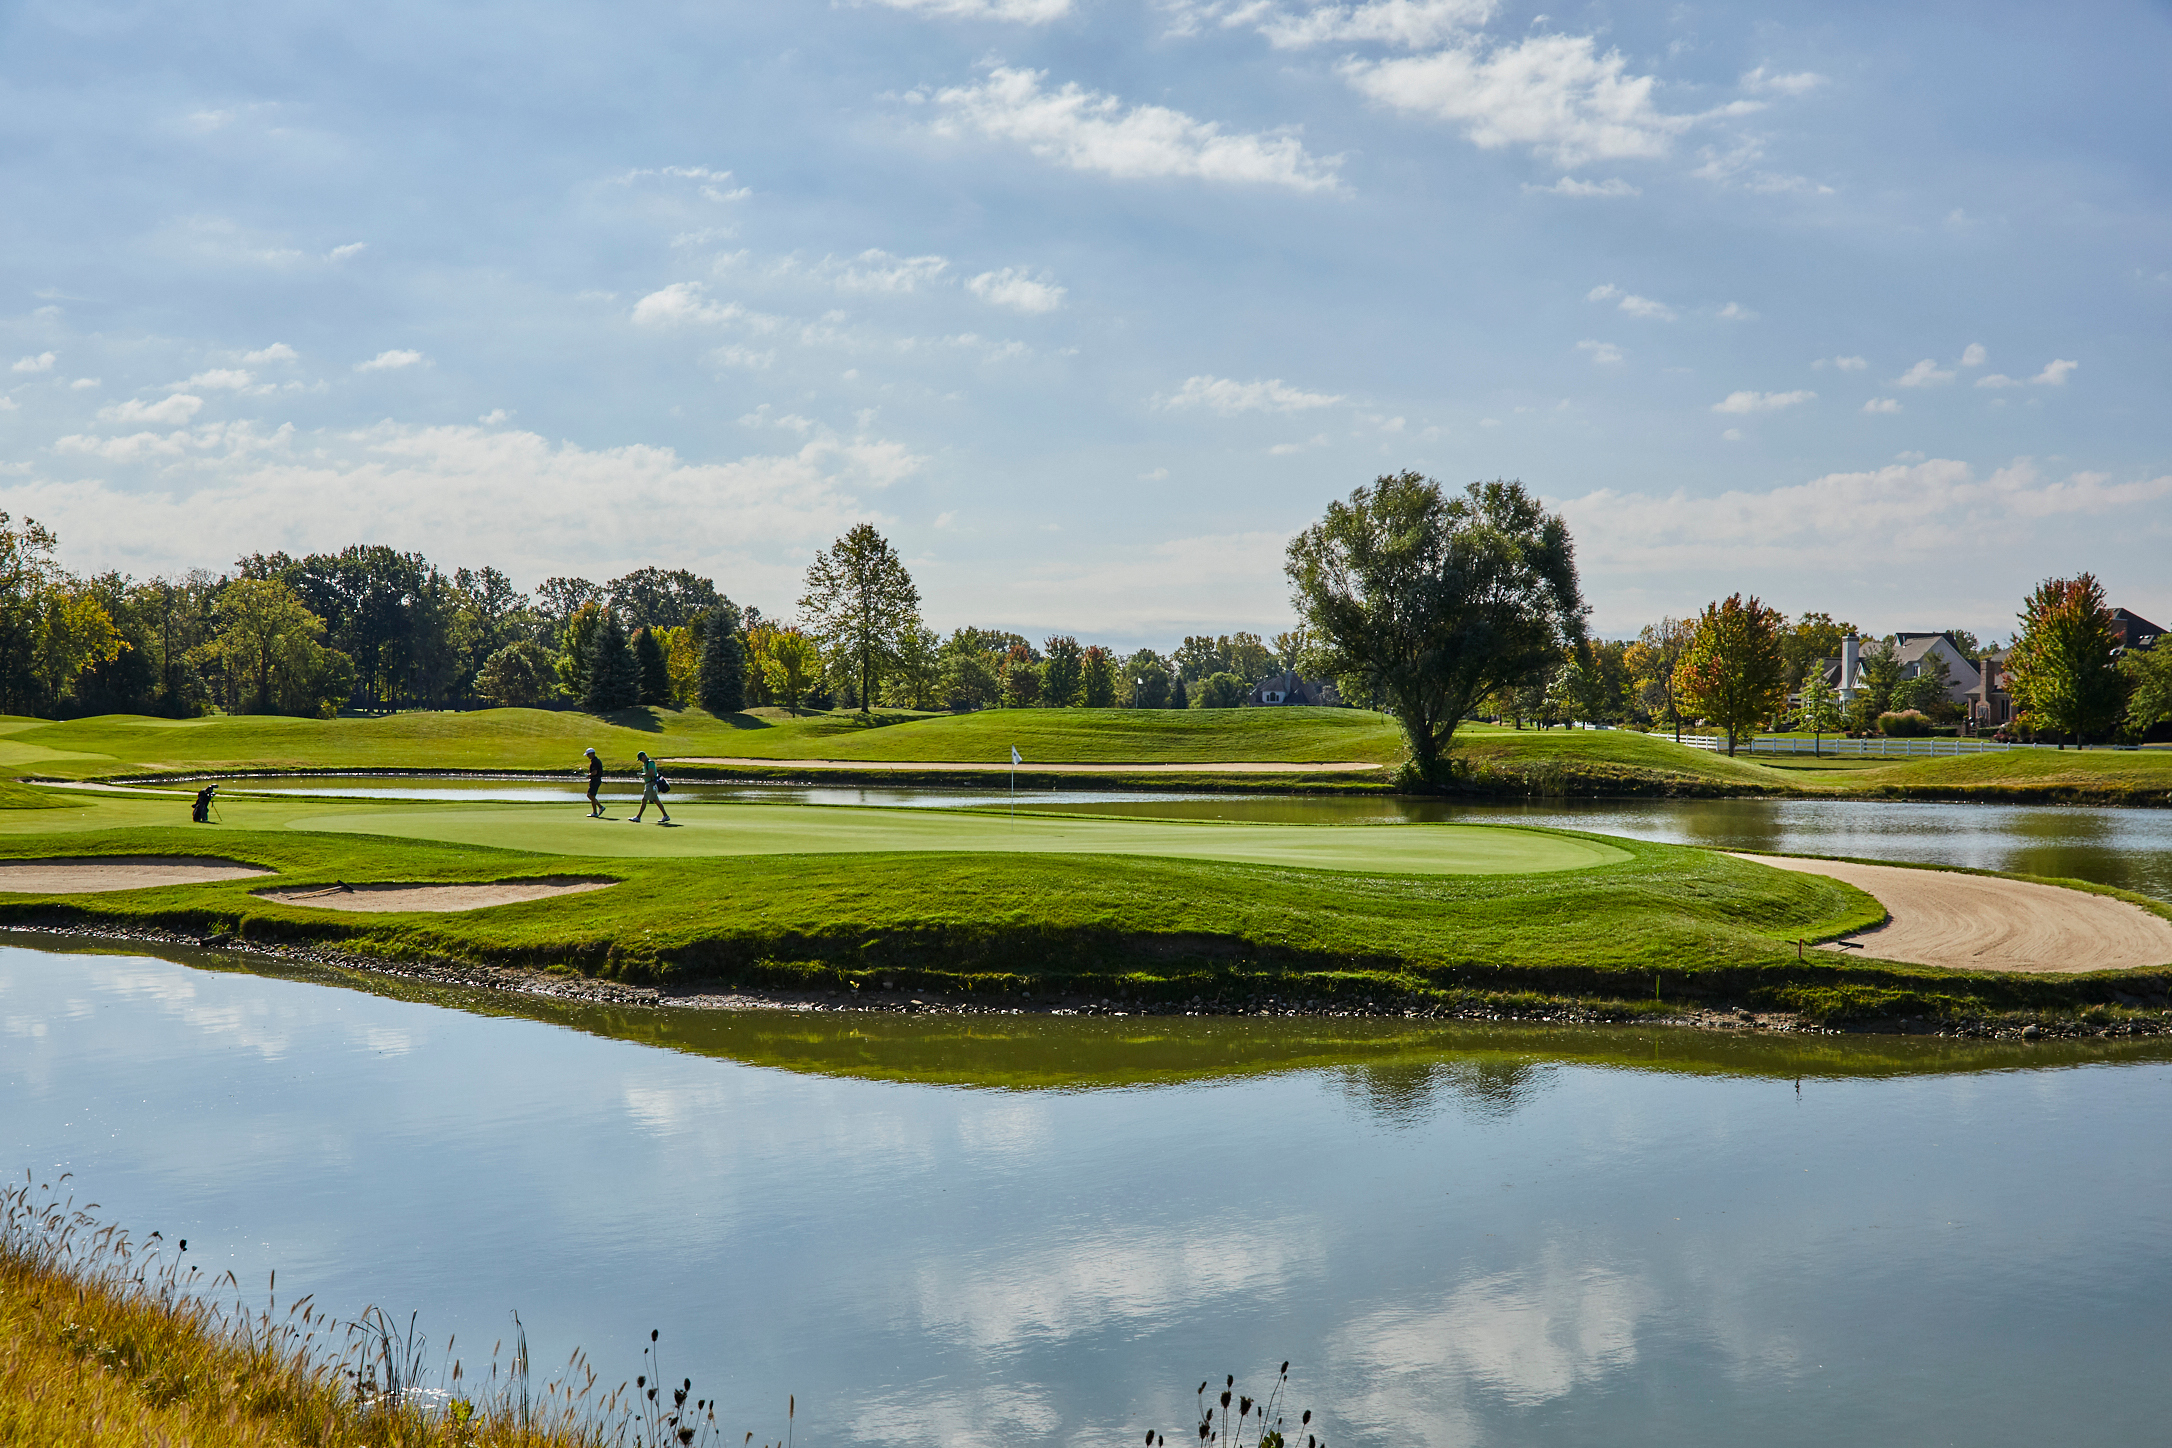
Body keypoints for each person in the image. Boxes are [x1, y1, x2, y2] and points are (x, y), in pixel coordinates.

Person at [630, 750, 669, 825]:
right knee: (655, 799)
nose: (641, 760)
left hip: (651, 784)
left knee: (644, 800)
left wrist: (642, 775)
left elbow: (652, 773)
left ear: (644, 756)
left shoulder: (650, 763)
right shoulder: (646, 763)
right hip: (650, 783)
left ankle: (638, 817)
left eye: (641, 759)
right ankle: (665, 815)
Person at [584, 747, 605, 817]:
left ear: (592, 754)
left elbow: (594, 772)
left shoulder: (595, 762)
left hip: (595, 780)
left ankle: (596, 811)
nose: (587, 756)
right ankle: (599, 808)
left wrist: (588, 775)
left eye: (588, 754)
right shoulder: (596, 760)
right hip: (596, 780)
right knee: (591, 795)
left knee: (590, 795)